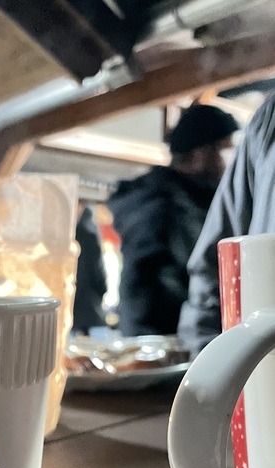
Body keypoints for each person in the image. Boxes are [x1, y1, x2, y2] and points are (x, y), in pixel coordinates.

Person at [108, 104, 239, 337]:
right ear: (199, 154)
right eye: (225, 149)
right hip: (166, 343)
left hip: (181, 337)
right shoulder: (161, 206)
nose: (230, 161)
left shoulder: (186, 200)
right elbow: (152, 288)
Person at [178, 94, 275, 356]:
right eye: (224, 149)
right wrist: (209, 368)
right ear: (200, 154)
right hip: (263, 369)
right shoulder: (270, 119)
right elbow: (214, 269)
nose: (225, 159)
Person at [72, 203, 108, 335]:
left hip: (72, 314)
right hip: (93, 313)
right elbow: (99, 276)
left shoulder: (67, 237)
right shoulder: (90, 233)